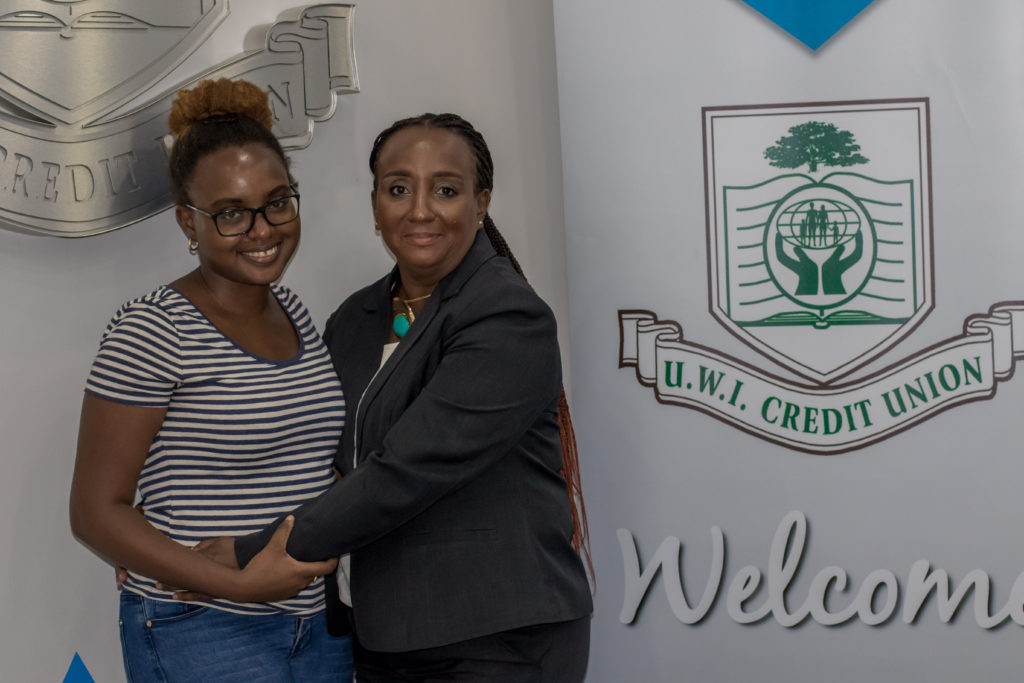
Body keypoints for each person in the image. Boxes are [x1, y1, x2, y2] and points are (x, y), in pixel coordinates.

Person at [178, 112, 594, 681]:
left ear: (481, 203)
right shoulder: (354, 319)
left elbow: (408, 469)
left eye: (445, 190)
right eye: (398, 189)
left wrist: (245, 550)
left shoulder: (505, 314)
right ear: (376, 206)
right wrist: (173, 536)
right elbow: (315, 453)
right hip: (381, 637)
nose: (419, 210)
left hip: (495, 639)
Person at [69, 78, 353, 682]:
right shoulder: (152, 327)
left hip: (318, 627)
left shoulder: (296, 314)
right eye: (230, 214)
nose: (262, 229)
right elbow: (94, 512)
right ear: (187, 222)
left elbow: (310, 466)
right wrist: (241, 584)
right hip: (204, 627)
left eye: (277, 202)